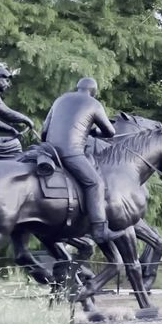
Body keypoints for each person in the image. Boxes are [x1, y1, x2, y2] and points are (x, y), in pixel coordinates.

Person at [42, 77, 123, 243]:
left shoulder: (60, 100)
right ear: (93, 91)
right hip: (70, 153)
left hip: (48, 151)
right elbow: (110, 132)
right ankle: (100, 230)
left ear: (78, 87)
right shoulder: (94, 104)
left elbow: (44, 131)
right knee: (96, 183)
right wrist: (93, 131)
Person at [0, 66, 34, 155]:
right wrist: (26, 120)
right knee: (16, 144)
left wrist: (11, 130)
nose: (8, 84)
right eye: (6, 80)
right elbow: (6, 113)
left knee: (11, 140)